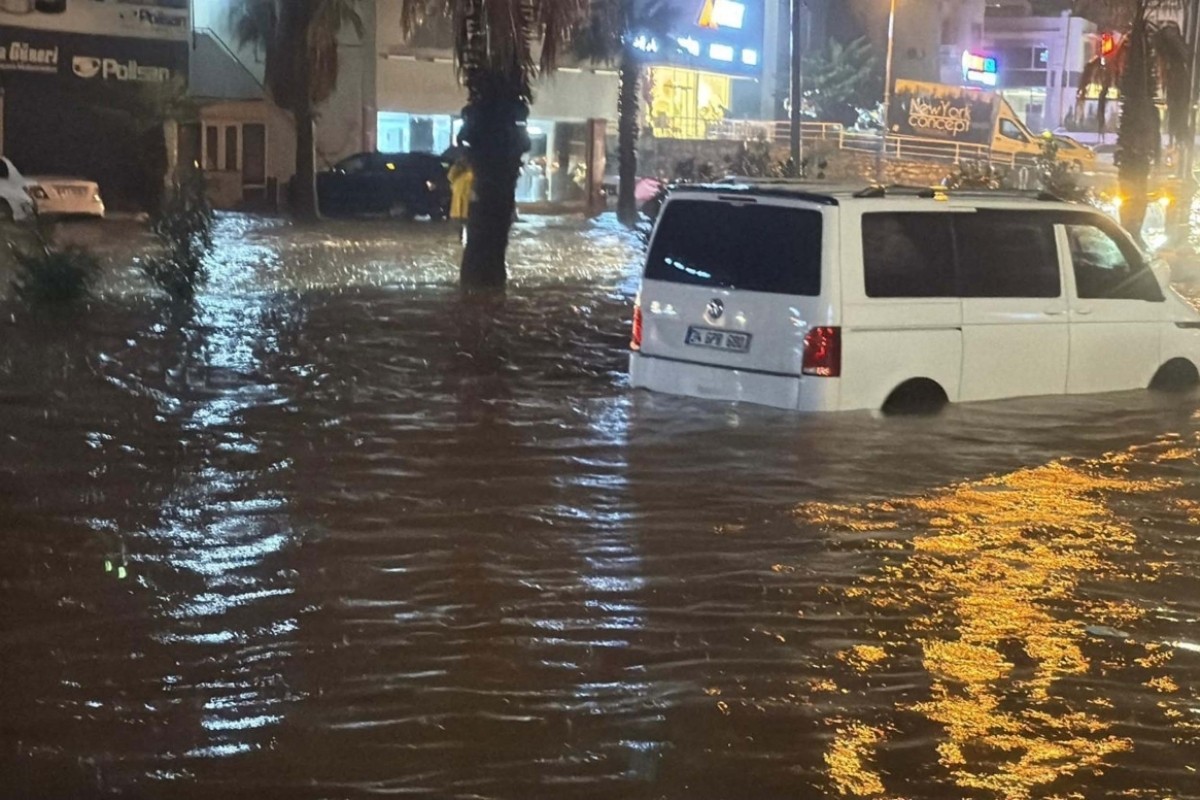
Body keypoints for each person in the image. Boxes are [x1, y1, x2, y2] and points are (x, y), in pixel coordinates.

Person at [448, 157, 474, 242]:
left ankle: (462, 237)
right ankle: (464, 237)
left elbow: (450, 177)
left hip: (465, 200)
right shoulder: (468, 174)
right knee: (465, 221)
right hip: (464, 200)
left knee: (463, 221)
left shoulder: (468, 174)